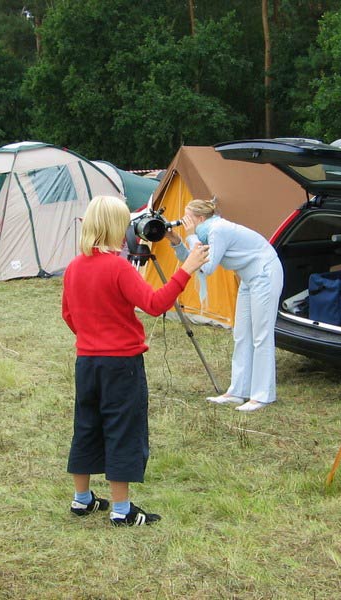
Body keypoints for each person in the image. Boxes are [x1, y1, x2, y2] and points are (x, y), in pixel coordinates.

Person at [63, 195, 209, 526]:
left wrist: (90, 335)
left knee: (86, 426)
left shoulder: (73, 267)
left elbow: (68, 314)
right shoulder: (117, 267)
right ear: (117, 228)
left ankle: (82, 500)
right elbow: (155, 304)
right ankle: (121, 509)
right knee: (122, 429)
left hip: (86, 362)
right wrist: (186, 268)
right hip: (121, 364)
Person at [165, 198, 284, 412]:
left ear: (200, 218)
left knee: (261, 335)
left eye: (188, 217)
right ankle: (237, 392)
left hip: (265, 273)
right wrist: (176, 241)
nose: (184, 222)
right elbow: (194, 261)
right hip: (248, 278)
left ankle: (263, 395)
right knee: (241, 334)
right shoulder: (205, 234)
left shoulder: (218, 229)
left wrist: (191, 236)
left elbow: (208, 267)